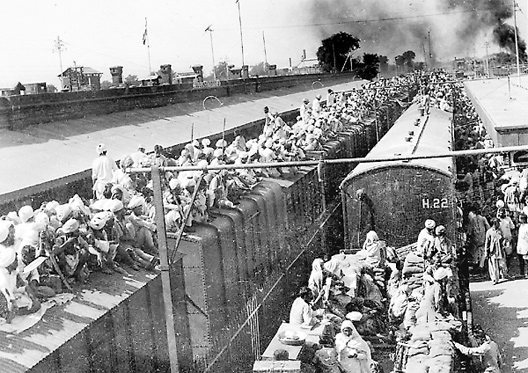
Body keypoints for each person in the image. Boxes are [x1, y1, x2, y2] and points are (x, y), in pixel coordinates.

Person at [485, 218, 508, 284]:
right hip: (493, 251)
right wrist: (486, 252)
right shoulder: (489, 232)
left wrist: (504, 242)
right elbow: (487, 242)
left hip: (500, 250)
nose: (499, 224)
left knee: (502, 264)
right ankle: (495, 279)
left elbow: (503, 238)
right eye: (498, 223)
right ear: (494, 224)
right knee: (494, 266)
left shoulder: (500, 231)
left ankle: (504, 275)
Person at [517, 214, 528, 278]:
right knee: (521, 261)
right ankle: (522, 273)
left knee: (526, 261)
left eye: (520, 218)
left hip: (526, 246)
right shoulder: (521, 226)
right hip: (520, 245)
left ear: (523, 219)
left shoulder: (527, 227)